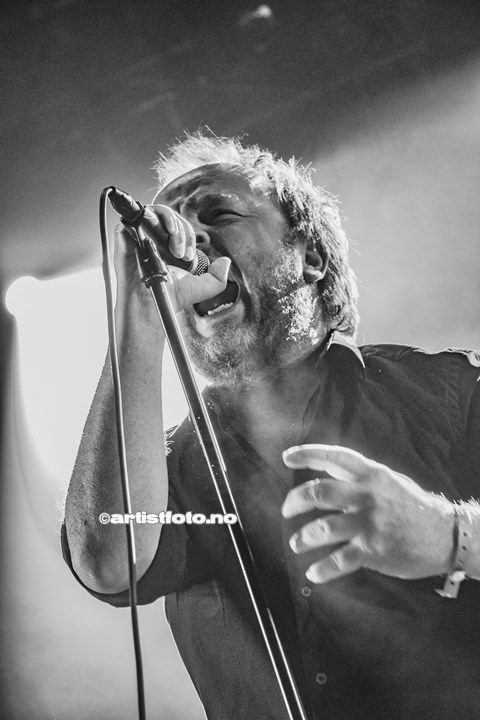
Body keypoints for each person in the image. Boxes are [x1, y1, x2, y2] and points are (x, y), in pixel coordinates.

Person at [62, 131, 480, 720]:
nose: (186, 240)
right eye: (171, 226)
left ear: (310, 257)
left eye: (218, 214)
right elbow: (108, 561)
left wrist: (449, 536)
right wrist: (138, 316)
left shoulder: (450, 391)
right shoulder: (169, 470)